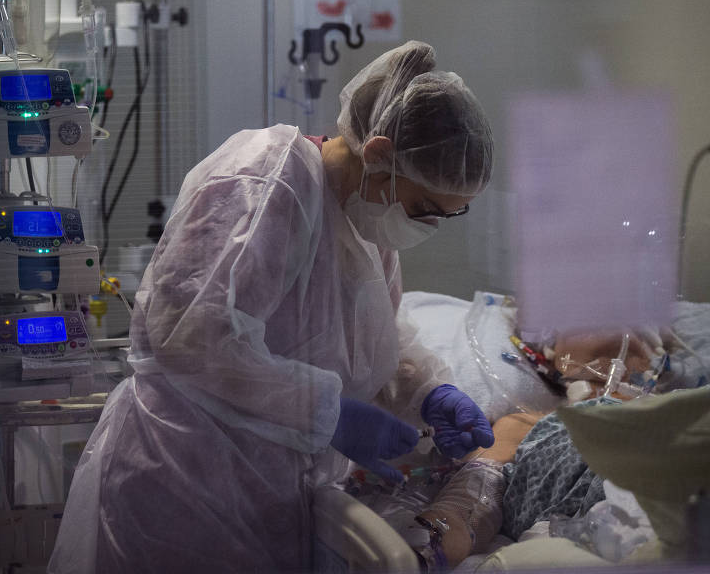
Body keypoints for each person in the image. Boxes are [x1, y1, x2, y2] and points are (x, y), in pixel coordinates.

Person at [48, 40, 496, 573]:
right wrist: (326, 410)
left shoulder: (368, 224)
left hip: (270, 499)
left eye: (446, 216)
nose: (426, 226)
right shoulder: (267, 180)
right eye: (424, 208)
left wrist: (425, 392)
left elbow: (371, 338)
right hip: (181, 486)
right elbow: (191, 336)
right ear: (378, 155)